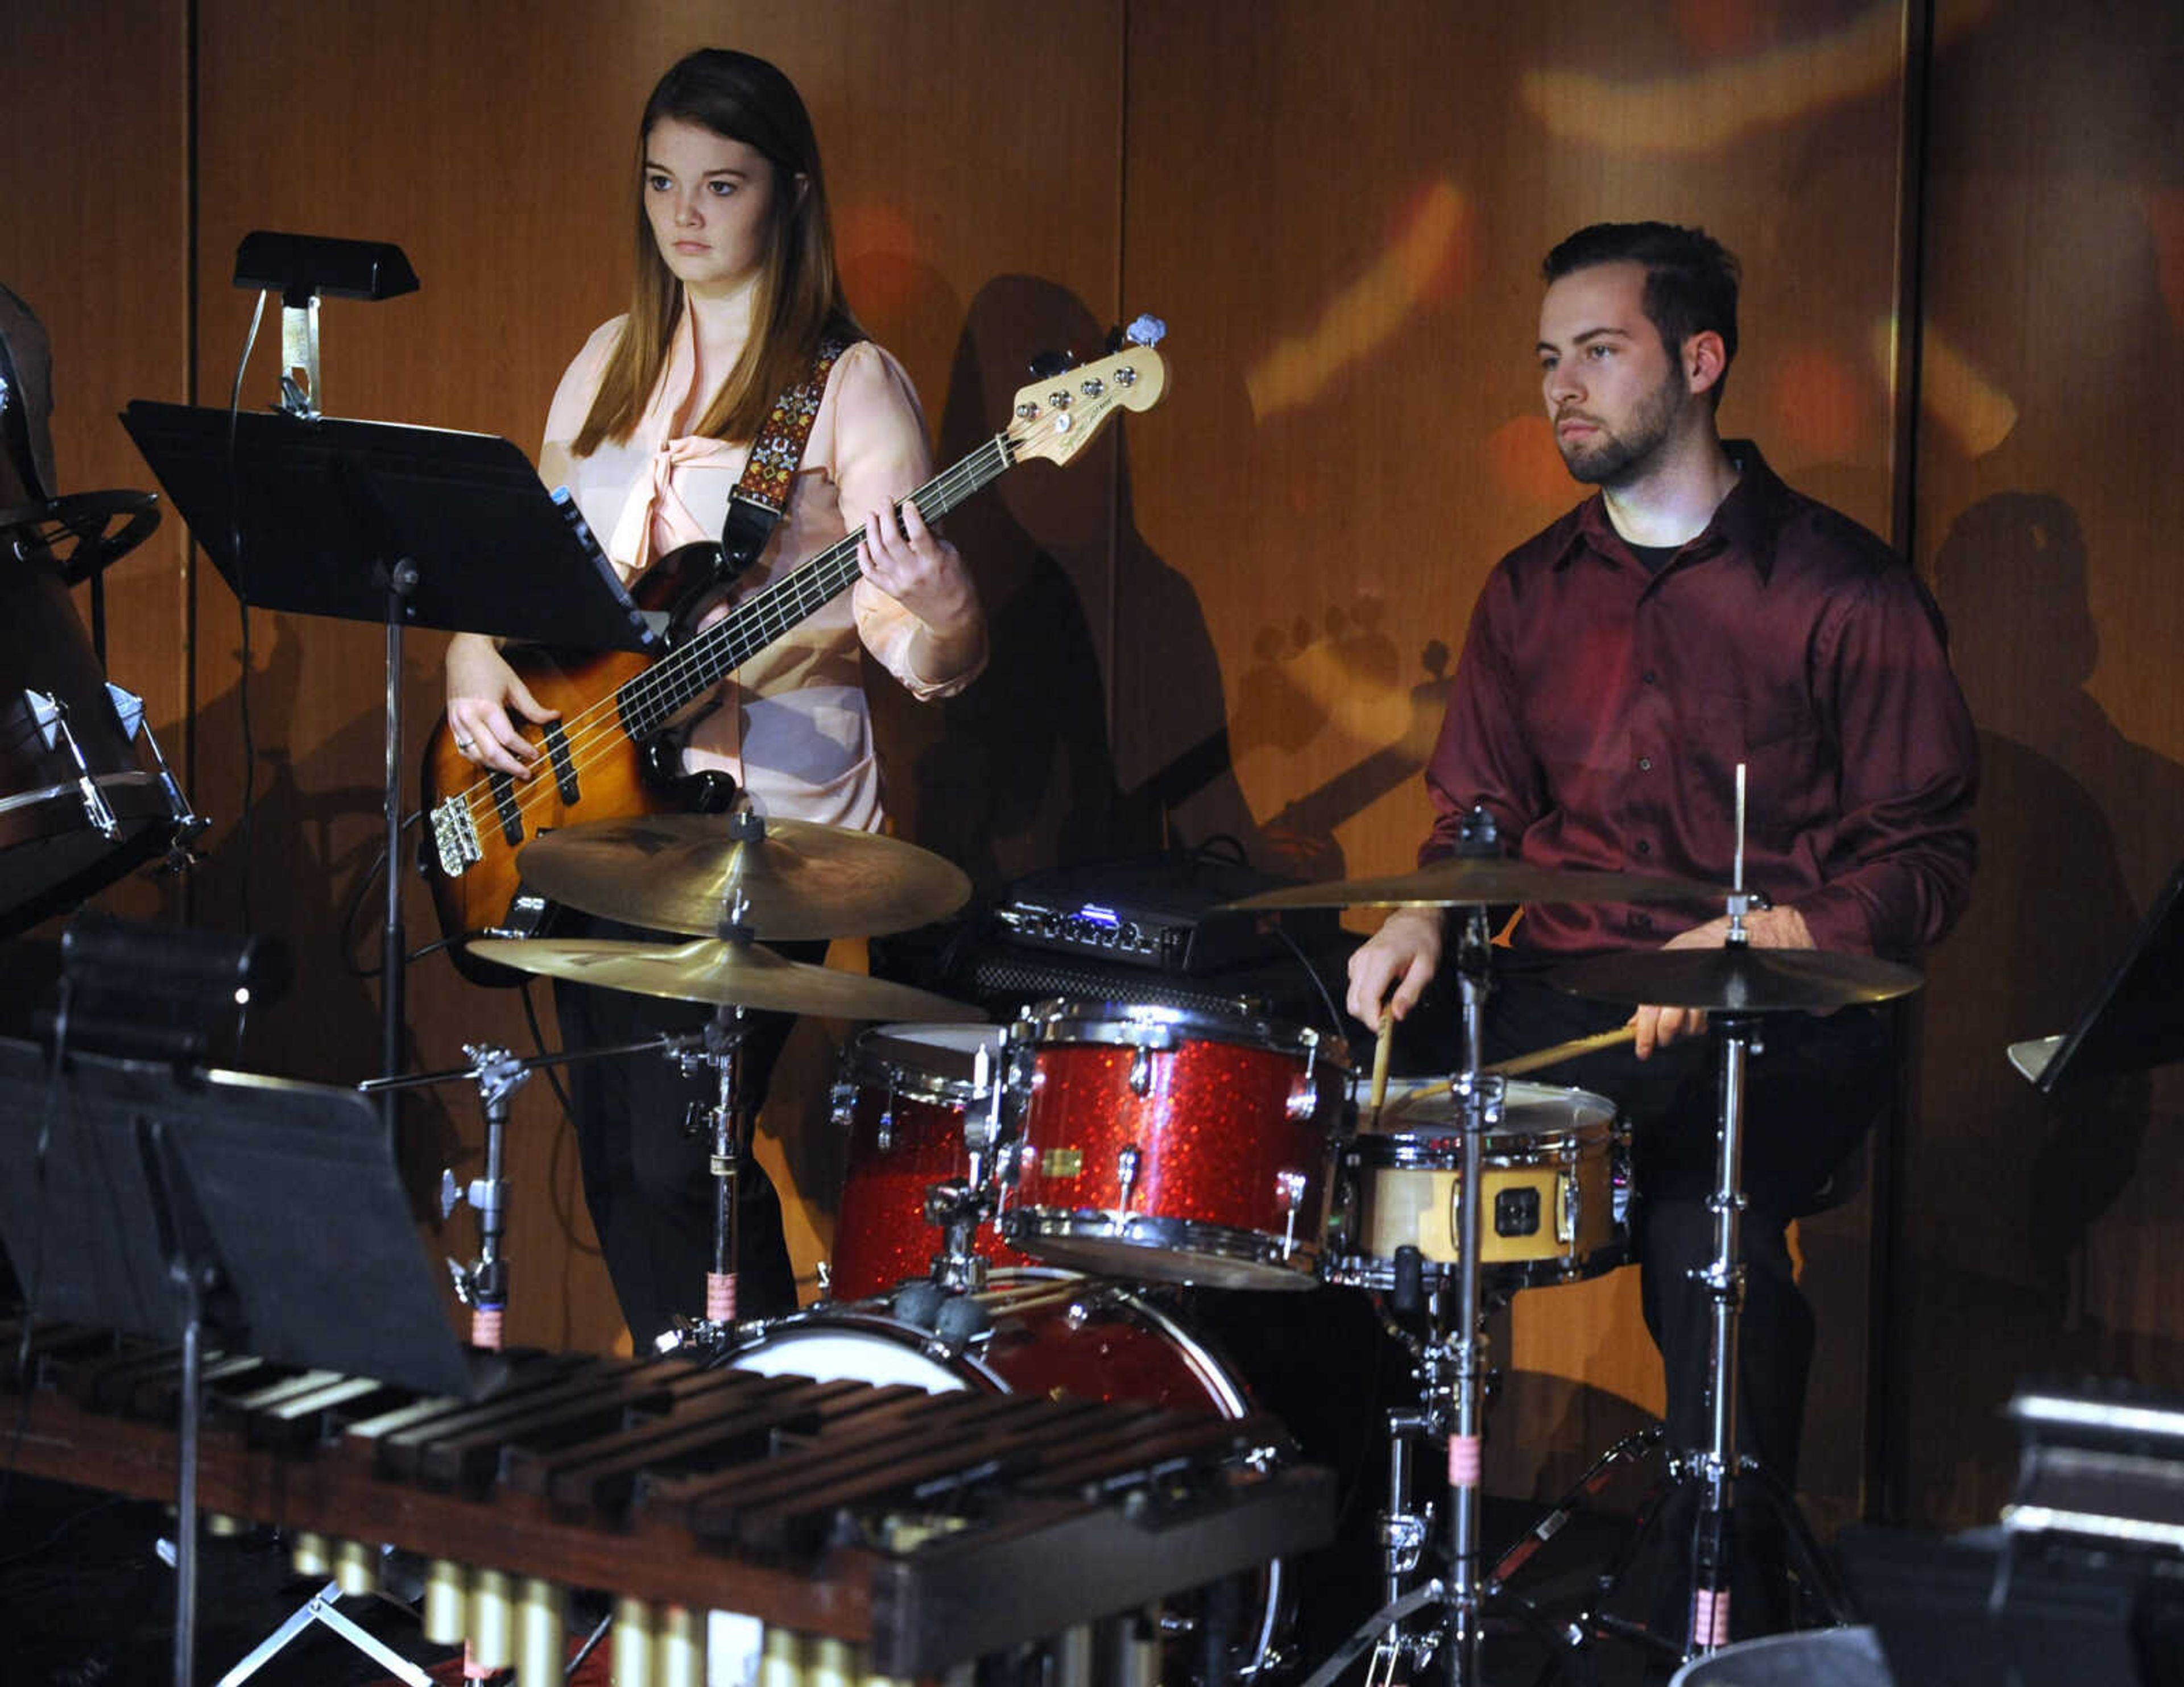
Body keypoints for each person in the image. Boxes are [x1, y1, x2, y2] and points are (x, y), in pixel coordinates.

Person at [1345, 222, 1977, 1646]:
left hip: (1785, 1015)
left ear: (1701, 362)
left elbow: (1928, 857)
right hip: (1569, 989)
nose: (1563, 386)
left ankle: (1725, 1596)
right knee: (1334, 1123)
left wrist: (1759, 930)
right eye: (1550, 358)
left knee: (1709, 1210)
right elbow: (1479, 820)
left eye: (1601, 352)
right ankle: (1368, 1544)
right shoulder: (1527, 590)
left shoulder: (1844, 592)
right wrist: (1417, 916)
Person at [442, 48, 986, 1349]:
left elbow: (916, 641)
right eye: (662, 183)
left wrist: (947, 603)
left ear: (789, 197)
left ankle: (759, 1450)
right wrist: (471, 648)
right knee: (624, 1165)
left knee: (690, 1162)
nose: (686, 216)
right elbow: (532, 562)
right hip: (596, 810)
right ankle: (705, 1436)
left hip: (769, 826)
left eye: (721, 185)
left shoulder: (849, 386)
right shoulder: (606, 363)